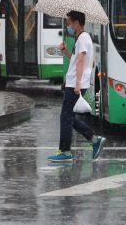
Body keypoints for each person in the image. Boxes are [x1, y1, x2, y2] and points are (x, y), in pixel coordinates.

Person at [48, 10, 106, 162]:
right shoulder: (81, 38)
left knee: (65, 117)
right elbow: (76, 60)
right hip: (75, 82)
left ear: (76, 23)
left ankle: (65, 151)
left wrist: (78, 84)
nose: (68, 25)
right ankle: (94, 139)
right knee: (69, 117)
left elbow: (81, 61)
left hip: (75, 83)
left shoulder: (83, 39)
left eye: (69, 22)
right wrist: (66, 51)